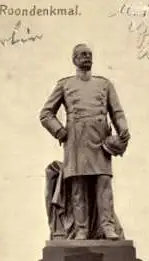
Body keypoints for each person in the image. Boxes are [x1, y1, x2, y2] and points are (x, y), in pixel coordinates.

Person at [40, 43, 130, 240]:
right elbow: (46, 114)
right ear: (74, 59)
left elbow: (117, 112)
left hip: (100, 142)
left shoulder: (105, 85)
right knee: (78, 188)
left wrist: (123, 128)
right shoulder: (64, 85)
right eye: (82, 54)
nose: (87, 57)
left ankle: (107, 227)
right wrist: (60, 132)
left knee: (103, 185)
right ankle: (81, 229)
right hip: (76, 142)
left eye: (89, 54)